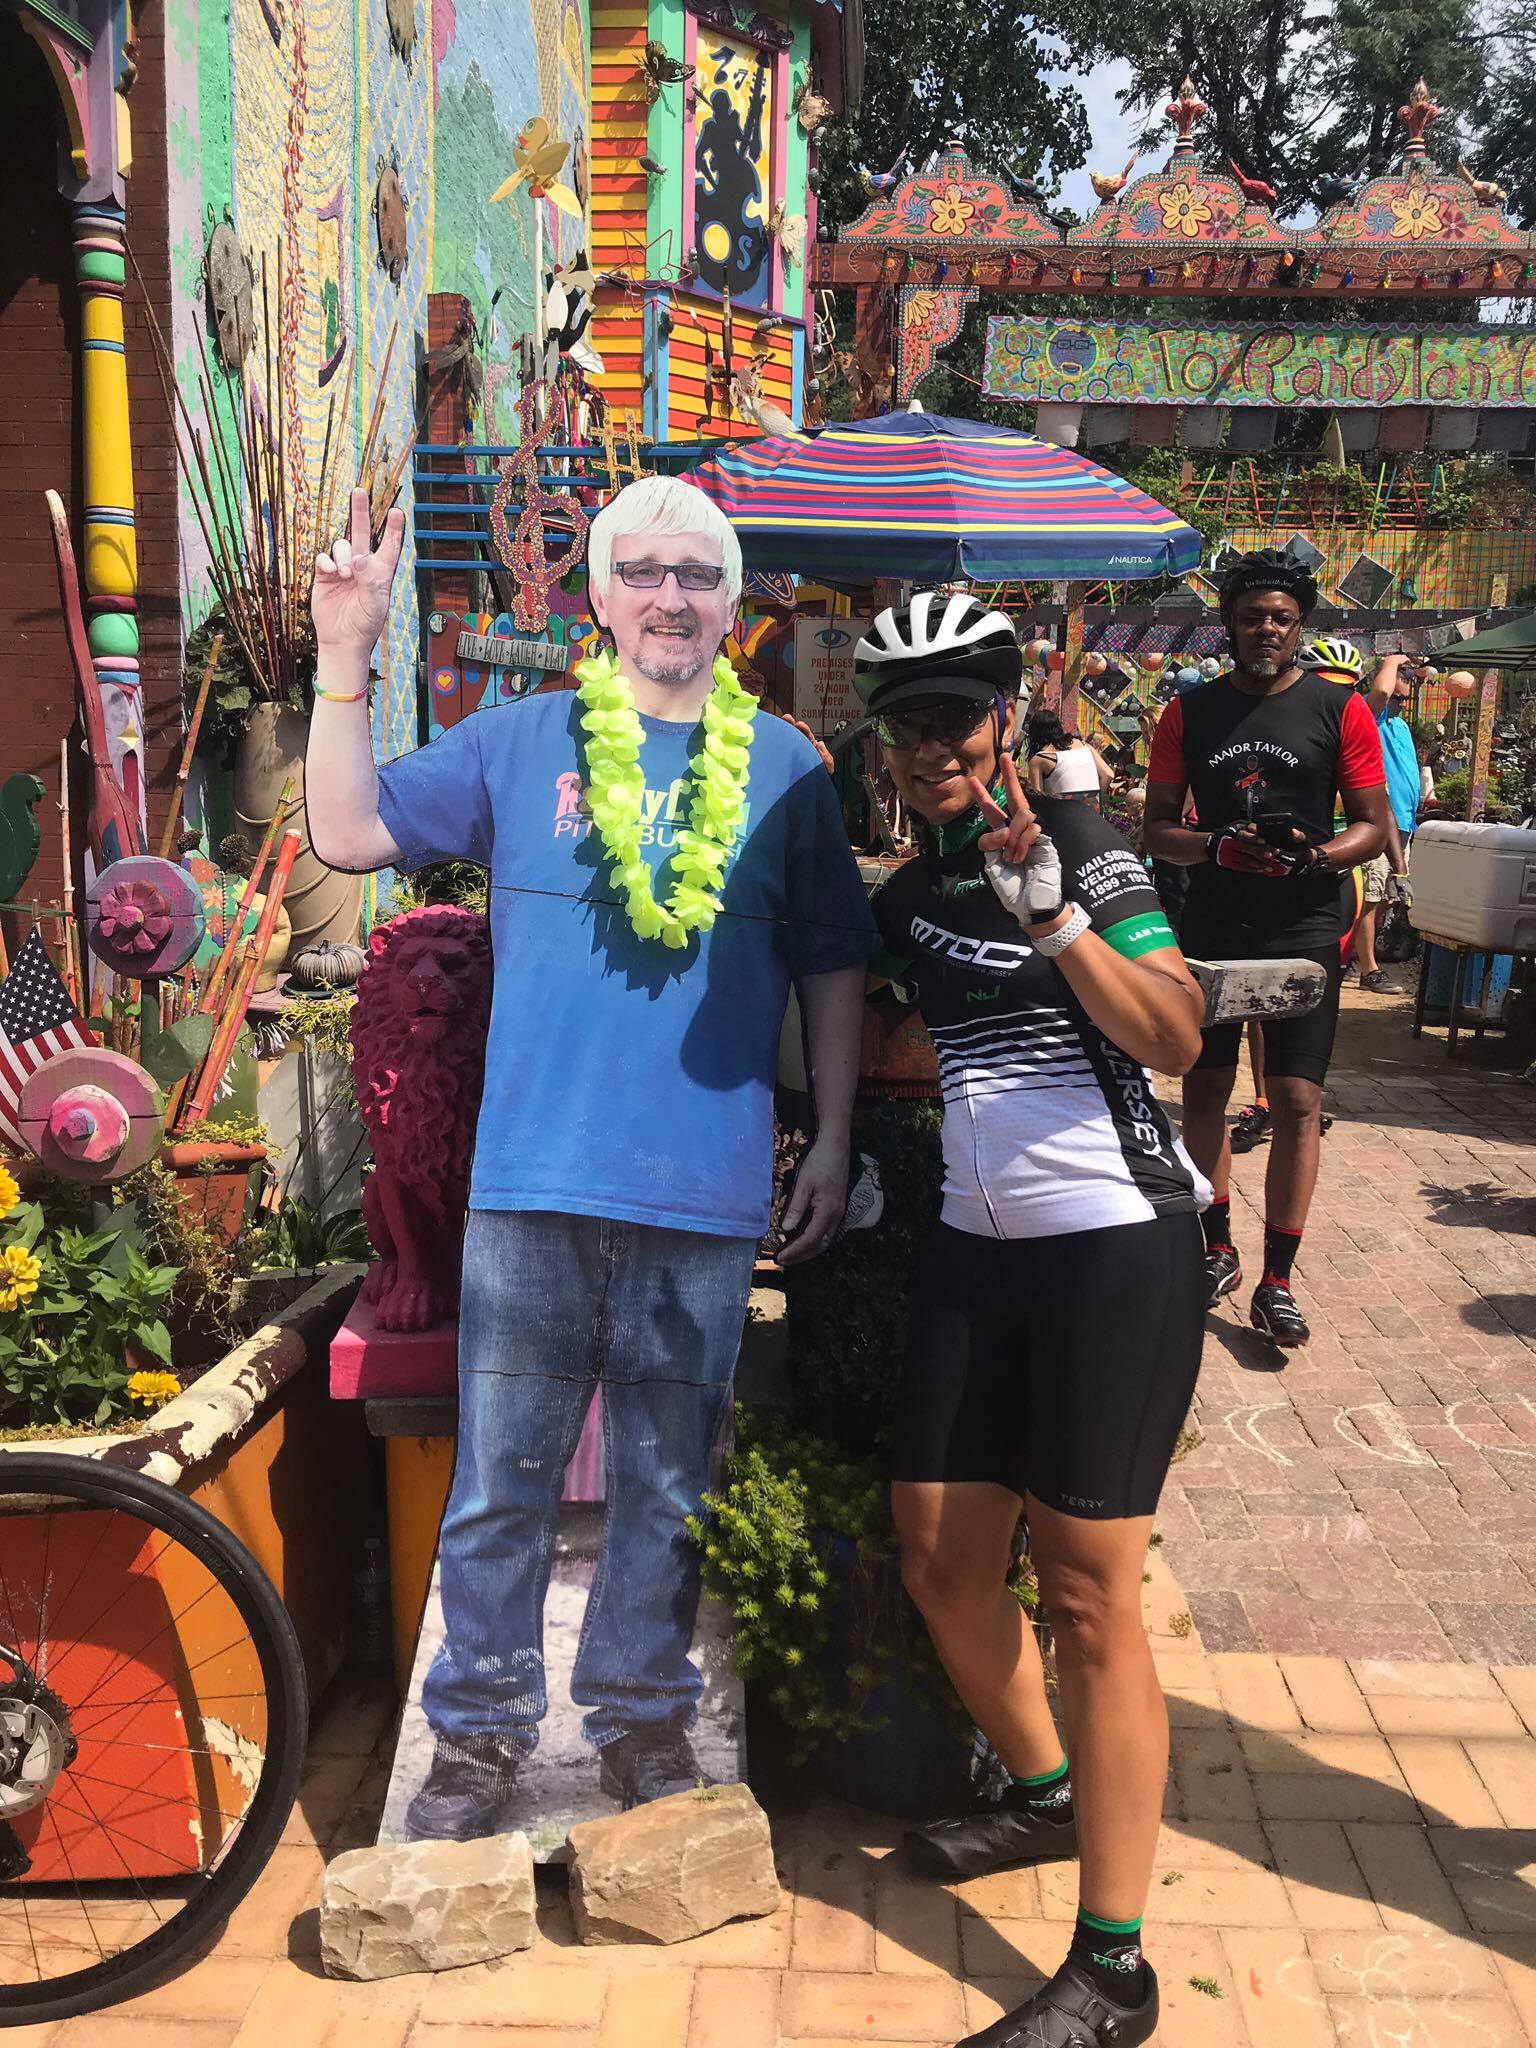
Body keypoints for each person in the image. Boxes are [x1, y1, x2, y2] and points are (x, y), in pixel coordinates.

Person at [306, 479, 874, 1836]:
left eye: (700, 574)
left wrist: (836, 1135)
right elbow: (348, 832)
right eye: (645, 571)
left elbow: (833, 963)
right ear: (602, 597)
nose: (672, 596)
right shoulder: (518, 742)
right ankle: (477, 1738)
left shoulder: (788, 772)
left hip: (703, 1190)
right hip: (532, 1186)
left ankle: (641, 1719)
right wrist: (345, 655)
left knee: (669, 1483)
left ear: (732, 609)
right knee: (500, 1480)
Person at [859, 591, 1210, 2048]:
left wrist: (1058, 918)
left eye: (958, 715)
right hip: (974, 1245)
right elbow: (886, 1022)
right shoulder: (903, 895)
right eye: (908, 722)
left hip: (1114, 1249)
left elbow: (1176, 1031)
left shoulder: (1087, 846)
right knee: (941, 1557)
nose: (935, 745)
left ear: (1005, 719)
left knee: (1087, 1596)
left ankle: (1114, 1970)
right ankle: (1049, 1793)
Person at [1143, 550, 1391, 1348]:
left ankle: (1278, 1280)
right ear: (1229, 624)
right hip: (1214, 923)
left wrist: (1315, 858)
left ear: (1300, 626)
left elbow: (1372, 826)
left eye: (1282, 618)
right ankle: (1215, 1246)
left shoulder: (1338, 710)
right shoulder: (1189, 713)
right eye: (1252, 617)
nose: (1267, 630)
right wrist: (1213, 847)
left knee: (1296, 1101)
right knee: (1206, 1089)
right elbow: (1158, 828)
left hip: (1305, 926)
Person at [1353, 652, 1418, 992]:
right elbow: (1379, 693)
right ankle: (1368, 969)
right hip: (1378, 823)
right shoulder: (1371, 718)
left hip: (1403, 825)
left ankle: (1356, 957)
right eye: (1398, 697)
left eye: (1406, 699)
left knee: (1386, 897)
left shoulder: (1400, 726)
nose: (1402, 704)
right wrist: (1392, 661)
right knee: (1370, 895)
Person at [1024, 710, 1113, 807]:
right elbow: (1108, 774)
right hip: (1092, 811)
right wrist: (1093, 799)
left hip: (1062, 812)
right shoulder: (1084, 745)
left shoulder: (1039, 759)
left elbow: (1038, 800)